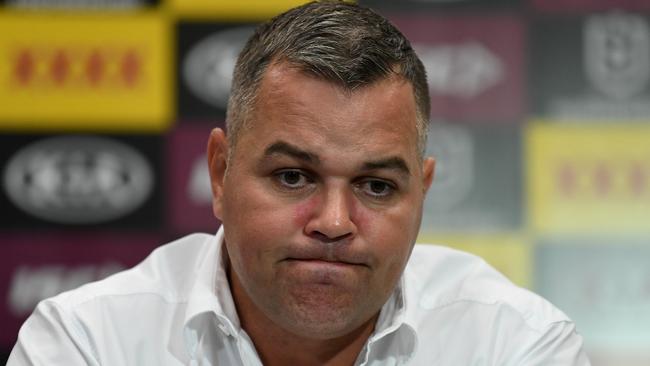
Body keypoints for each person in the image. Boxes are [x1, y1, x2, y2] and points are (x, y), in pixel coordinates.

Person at [8, 1, 590, 365]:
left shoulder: (517, 345)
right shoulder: (87, 344)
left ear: (424, 192)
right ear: (220, 172)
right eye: (292, 176)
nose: (334, 222)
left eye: (378, 186)